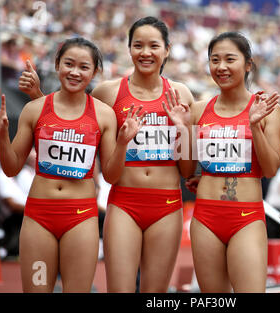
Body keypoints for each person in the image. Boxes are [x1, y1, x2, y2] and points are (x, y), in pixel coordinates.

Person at [19, 17, 195, 293]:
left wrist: (183, 129)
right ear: (129, 49)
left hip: (167, 205)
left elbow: (186, 169)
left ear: (167, 50)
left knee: (155, 294)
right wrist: (37, 95)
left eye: (153, 46)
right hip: (124, 203)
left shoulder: (181, 93)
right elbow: (70, 120)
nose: (145, 52)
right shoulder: (108, 93)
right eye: (138, 45)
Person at [0, 37, 144, 292]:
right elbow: (11, 168)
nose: (75, 72)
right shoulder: (34, 109)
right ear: (57, 65)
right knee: (37, 288)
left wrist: (123, 143)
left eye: (83, 67)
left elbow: (112, 177)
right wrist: (2, 135)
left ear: (94, 72)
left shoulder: (103, 114)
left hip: (80, 218)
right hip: (39, 218)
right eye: (69, 64)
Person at [172, 31, 280, 292]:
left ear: (248, 64)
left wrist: (254, 125)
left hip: (246, 217)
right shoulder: (199, 110)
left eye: (229, 59)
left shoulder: (268, 110)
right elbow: (187, 170)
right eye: (214, 60)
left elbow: (268, 169)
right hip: (206, 218)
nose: (221, 67)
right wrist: (183, 129)